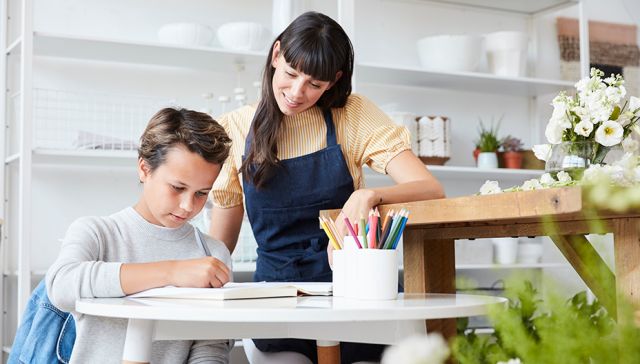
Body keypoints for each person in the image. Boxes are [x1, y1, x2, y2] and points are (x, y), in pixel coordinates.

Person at [209, 11, 445, 364]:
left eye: (314, 85)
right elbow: (221, 244)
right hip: (278, 303)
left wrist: (369, 195)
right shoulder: (235, 128)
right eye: (290, 74)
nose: (296, 92)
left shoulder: (352, 114)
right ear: (276, 56)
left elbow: (429, 188)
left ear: (333, 81)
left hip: (358, 297)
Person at [45, 108, 234, 363]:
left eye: (202, 193)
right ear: (144, 169)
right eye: (178, 188)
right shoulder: (98, 233)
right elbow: (61, 285)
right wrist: (172, 272)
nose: (189, 206)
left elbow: (211, 345)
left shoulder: (213, 253)